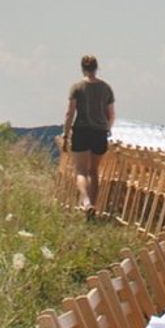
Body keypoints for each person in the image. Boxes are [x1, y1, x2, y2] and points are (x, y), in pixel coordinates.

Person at [62, 54, 115, 214]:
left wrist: (66, 134)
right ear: (96, 68)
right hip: (100, 132)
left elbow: (70, 113)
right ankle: (94, 206)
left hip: (82, 131)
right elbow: (111, 114)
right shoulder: (106, 88)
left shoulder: (77, 87)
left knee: (81, 171)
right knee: (94, 171)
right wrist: (107, 129)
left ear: (82, 68)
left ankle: (86, 202)